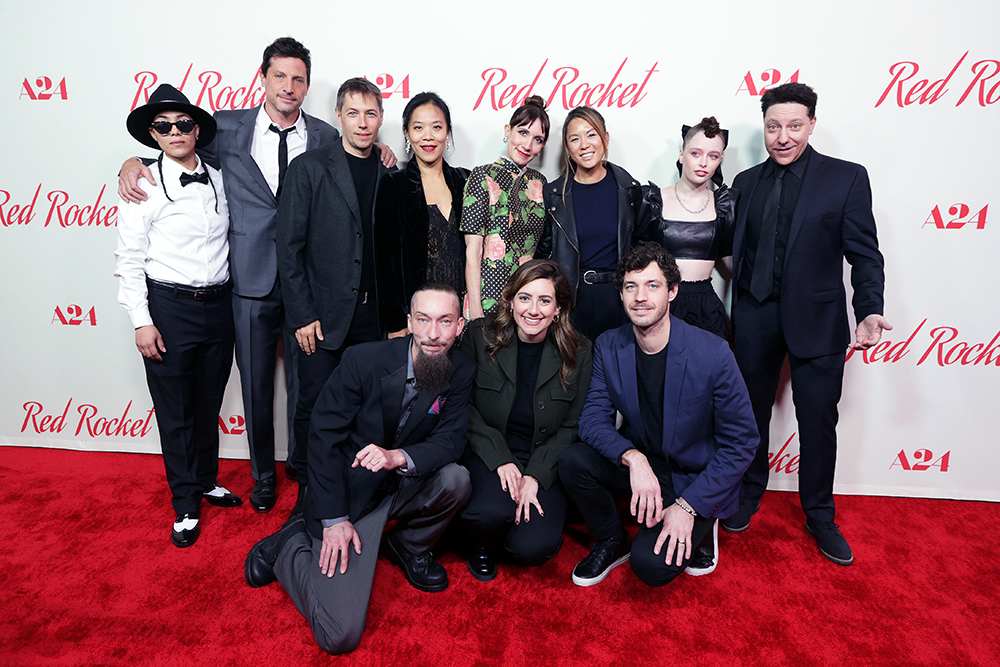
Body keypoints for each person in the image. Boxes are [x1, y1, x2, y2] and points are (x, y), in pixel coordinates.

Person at [117, 39, 394, 514]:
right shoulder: (224, 127)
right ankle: (262, 475)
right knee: (256, 384)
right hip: (248, 281)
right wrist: (133, 163)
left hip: (309, 282)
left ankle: (304, 469)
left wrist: (384, 150)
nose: (289, 87)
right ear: (262, 77)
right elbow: (172, 145)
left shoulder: (329, 134)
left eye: (299, 78)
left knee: (310, 386)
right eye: (280, 76)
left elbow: (357, 153)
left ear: (309, 85)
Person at [243, 284, 474, 655]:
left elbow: (451, 441)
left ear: (459, 326)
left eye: (445, 321)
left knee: (457, 479)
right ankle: (286, 546)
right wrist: (334, 518)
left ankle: (408, 548)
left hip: (395, 486)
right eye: (424, 320)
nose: (434, 334)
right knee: (340, 635)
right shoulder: (363, 360)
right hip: (348, 494)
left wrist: (397, 456)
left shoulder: (460, 369)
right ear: (410, 323)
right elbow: (321, 439)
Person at [724, 83, 891, 566]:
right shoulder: (746, 182)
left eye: (794, 125)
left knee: (817, 421)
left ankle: (819, 514)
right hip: (754, 314)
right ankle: (748, 494)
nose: (783, 136)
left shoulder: (845, 178)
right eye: (773, 126)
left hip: (817, 320)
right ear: (765, 128)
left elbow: (864, 253)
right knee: (748, 414)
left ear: (812, 124)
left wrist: (869, 308)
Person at [559, 242, 758, 587]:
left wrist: (689, 506)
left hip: (693, 477)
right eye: (630, 287)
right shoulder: (609, 345)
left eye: (652, 285)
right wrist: (633, 458)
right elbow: (592, 419)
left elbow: (741, 443)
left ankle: (703, 523)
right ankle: (612, 538)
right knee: (574, 459)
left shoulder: (713, 353)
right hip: (646, 467)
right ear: (620, 295)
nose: (640, 297)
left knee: (651, 567)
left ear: (672, 292)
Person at [115, 84, 240, 547]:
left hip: (220, 304)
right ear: (152, 134)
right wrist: (141, 321)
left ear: (196, 129)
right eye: (163, 126)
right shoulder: (142, 183)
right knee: (176, 410)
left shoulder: (220, 176)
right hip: (167, 308)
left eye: (183, 124)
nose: (175, 132)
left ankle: (206, 480)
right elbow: (128, 260)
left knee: (208, 403)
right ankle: (185, 501)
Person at [276, 77, 394, 495]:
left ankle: (353, 480)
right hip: (322, 316)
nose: (363, 123)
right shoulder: (309, 168)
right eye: (353, 113)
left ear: (380, 118)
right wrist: (303, 315)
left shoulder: (389, 170)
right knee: (313, 402)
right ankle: (308, 482)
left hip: (373, 313)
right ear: (338, 116)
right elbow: (289, 248)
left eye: (371, 113)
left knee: (365, 404)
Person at [459, 259, 593, 581]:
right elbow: (461, 406)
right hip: (490, 450)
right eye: (524, 297)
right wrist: (500, 459)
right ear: (511, 299)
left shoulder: (580, 351)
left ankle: (512, 528)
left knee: (533, 549)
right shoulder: (479, 336)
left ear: (558, 308)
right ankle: (480, 540)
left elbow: (573, 425)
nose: (533, 310)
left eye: (545, 300)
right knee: (489, 511)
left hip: (542, 457)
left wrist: (535, 474)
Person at [534, 106, 646, 340]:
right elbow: (542, 254)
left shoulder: (629, 191)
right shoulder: (553, 195)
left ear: (605, 138)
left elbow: (642, 247)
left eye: (591, 134)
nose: (584, 145)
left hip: (617, 298)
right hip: (571, 299)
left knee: (616, 371)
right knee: (573, 372)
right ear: (567, 148)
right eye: (575, 139)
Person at [374, 92, 470, 337]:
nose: (428, 136)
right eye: (418, 127)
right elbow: (385, 263)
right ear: (407, 133)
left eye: (436, 127)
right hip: (417, 320)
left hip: (463, 317)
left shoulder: (465, 181)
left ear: (447, 132)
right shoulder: (394, 185)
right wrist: (396, 322)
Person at [642, 117, 735, 340]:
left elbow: (733, 263)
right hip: (661, 303)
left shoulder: (725, 204)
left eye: (712, 156)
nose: (703, 163)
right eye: (695, 153)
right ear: (681, 154)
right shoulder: (652, 200)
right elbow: (636, 261)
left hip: (706, 306)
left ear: (720, 160)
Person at [461, 96, 549, 319]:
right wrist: (476, 312)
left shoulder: (541, 183)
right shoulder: (482, 176)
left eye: (537, 139)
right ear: (507, 130)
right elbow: (473, 252)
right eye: (522, 132)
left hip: (529, 302)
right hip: (487, 296)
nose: (528, 145)